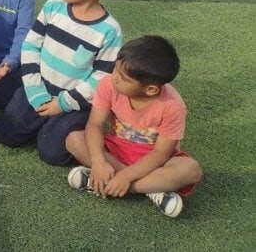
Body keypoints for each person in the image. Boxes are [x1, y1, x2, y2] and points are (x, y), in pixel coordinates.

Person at [0, 0, 123, 166]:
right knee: (6, 135)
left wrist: (63, 103)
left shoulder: (109, 31)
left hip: (73, 101)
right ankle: (45, 126)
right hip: (39, 88)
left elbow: (101, 77)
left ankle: (57, 128)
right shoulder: (53, 6)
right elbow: (31, 46)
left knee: (51, 154)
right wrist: (35, 91)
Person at [65, 35, 203, 218]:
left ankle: (106, 183)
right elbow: (94, 125)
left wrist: (126, 177)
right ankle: (152, 188)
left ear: (151, 89)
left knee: (191, 171)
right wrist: (99, 161)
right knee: (74, 140)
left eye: (123, 78)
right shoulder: (108, 84)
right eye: (115, 69)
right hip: (116, 149)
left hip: (154, 161)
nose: (114, 78)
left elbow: (161, 154)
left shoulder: (173, 106)